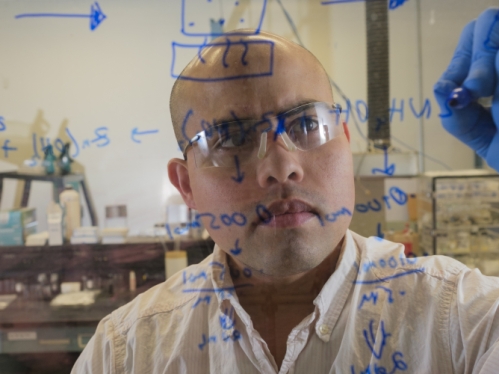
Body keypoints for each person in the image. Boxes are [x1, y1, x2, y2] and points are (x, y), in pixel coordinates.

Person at [73, 8, 499, 374]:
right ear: (187, 185)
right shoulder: (124, 353)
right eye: (232, 139)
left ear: (345, 143)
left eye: (308, 125)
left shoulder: (458, 321)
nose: (281, 167)